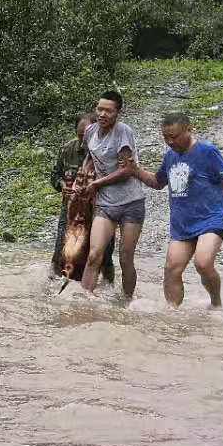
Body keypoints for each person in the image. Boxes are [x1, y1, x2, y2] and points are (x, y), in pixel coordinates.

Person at [129, 113, 223, 308]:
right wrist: (135, 170)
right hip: (182, 223)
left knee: (202, 263)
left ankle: (216, 303)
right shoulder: (170, 156)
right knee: (171, 269)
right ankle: (173, 312)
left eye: (174, 136)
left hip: (211, 218)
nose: (169, 142)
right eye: (165, 137)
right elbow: (158, 182)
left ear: (188, 130)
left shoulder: (207, 151)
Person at [80, 90, 146, 299]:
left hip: (131, 202)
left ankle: (128, 302)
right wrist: (85, 173)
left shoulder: (123, 132)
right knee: (93, 255)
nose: (102, 114)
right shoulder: (90, 131)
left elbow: (127, 170)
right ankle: (85, 300)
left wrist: (97, 183)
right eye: (100, 109)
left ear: (118, 113)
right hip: (106, 204)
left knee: (125, 258)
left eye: (109, 111)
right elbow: (91, 156)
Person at [50, 113, 114, 283]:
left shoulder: (107, 151)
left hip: (99, 208)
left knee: (103, 250)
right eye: (80, 136)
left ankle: (108, 286)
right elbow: (55, 175)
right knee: (62, 248)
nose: (83, 140)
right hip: (71, 209)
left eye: (86, 135)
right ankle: (54, 283)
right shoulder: (68, 149)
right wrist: (63, 185)